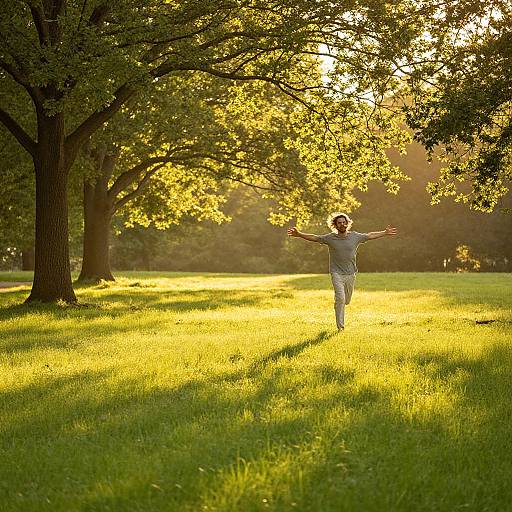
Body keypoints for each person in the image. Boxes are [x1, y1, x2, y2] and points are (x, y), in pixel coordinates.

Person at [287, 212, 397, 331]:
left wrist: (384, 233)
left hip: (351, 273)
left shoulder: (355, 236)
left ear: (347, 223)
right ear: (335, 225)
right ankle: (340, 327)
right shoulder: (330, 238)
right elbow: (315, 237)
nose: (342, 224)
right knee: (341, 298)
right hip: (336, 273)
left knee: (347, 300)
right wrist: (299, 234)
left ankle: (339, 303)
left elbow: (369, 235)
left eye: (344, 222)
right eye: (339, 223)